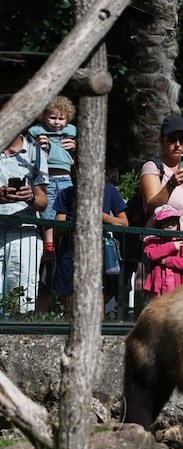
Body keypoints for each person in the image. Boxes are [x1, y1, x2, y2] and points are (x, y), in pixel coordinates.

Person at [53, 162, 128, 309]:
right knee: (70, 303)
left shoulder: (109, 190)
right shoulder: (66, 194)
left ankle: (98, 330)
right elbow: (58, 230)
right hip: (69, 254)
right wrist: (77, 220)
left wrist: (102, 217)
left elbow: (124, 223)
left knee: (96, 298)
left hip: (98, 254)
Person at [0, 135, 49, 313]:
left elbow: (43, 202)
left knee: (23, 300)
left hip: (24, 233)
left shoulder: (36, 153)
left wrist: (31, 197)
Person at [27, 95, 77, 259]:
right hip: (45, 178)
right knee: (47, 211)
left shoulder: (70, 132)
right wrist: (37, 146)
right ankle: (49, 245)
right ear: (44, 117)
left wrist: (74, 148)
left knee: (64, 211)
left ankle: (60, 242)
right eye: (52, 117)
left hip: (65, 177)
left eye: (61, 118)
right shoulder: (36, 133)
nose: (57, 122)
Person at [142, 205, 183, 298]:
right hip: (157, 287)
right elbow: (151, 254)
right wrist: (172, 246)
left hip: (178, 287)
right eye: (166, 222)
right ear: (159, 224)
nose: (170, 225)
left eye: (173, 222)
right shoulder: (152, 241)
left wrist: (167, 260)